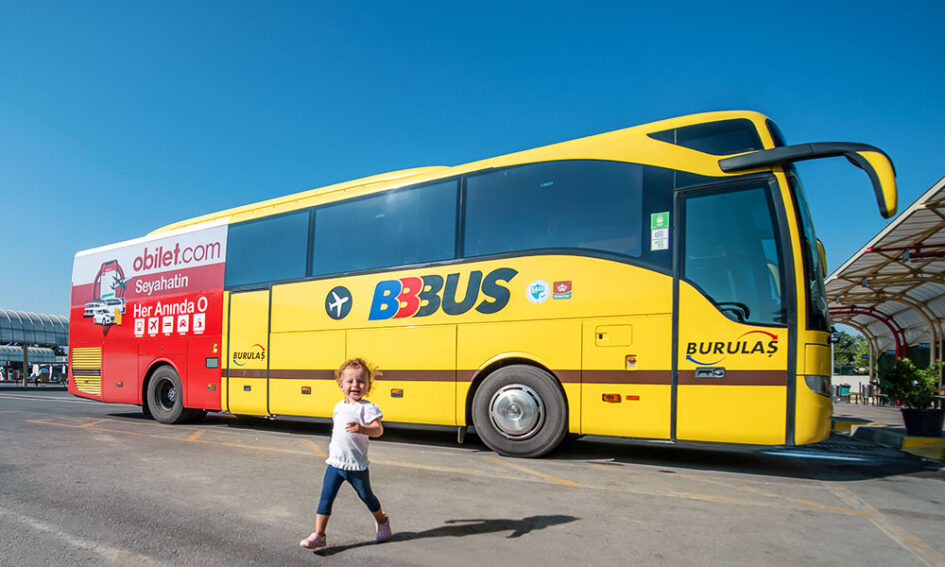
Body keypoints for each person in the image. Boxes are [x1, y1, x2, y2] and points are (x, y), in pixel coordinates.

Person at [300, 358, 392, 550]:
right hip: (334, 463)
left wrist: (362, 429)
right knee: (326, 498)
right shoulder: (338, 407)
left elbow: (378, 430)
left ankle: (382, 520)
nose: (355, 385)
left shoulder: (367, 408)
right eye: (350, 381)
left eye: (361, 381)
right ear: (341, 385)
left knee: (367, 496)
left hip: (356, 465)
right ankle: (319, 535)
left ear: (368, 386)